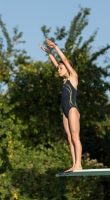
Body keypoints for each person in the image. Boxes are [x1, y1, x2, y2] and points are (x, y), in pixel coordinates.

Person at [38, 39, 82, 172]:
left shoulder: (73, 77)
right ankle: (74, 164)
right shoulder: (64, 80)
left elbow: (63, 59)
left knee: (75, 137)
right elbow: (56, 63)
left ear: (68, 67)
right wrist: (48, 53)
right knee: (69, 138)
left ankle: (78, 164)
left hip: (72, 109)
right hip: (65, 111)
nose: (58, 69)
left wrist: (55, 47)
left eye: (61, 68)